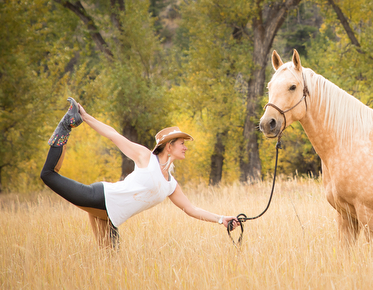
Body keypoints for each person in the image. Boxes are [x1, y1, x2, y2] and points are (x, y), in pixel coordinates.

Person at [40, 97, 239, 249]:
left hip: (109, 217)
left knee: (110, 266)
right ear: (169, 147)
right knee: (48, 175)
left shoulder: (170, 184)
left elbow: (191, 209)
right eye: (182, 144)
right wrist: (84, 115)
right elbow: (113, 135)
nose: (185, 148)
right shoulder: (145, 157)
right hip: (99, 197)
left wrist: (222, 219)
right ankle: (67, 124)